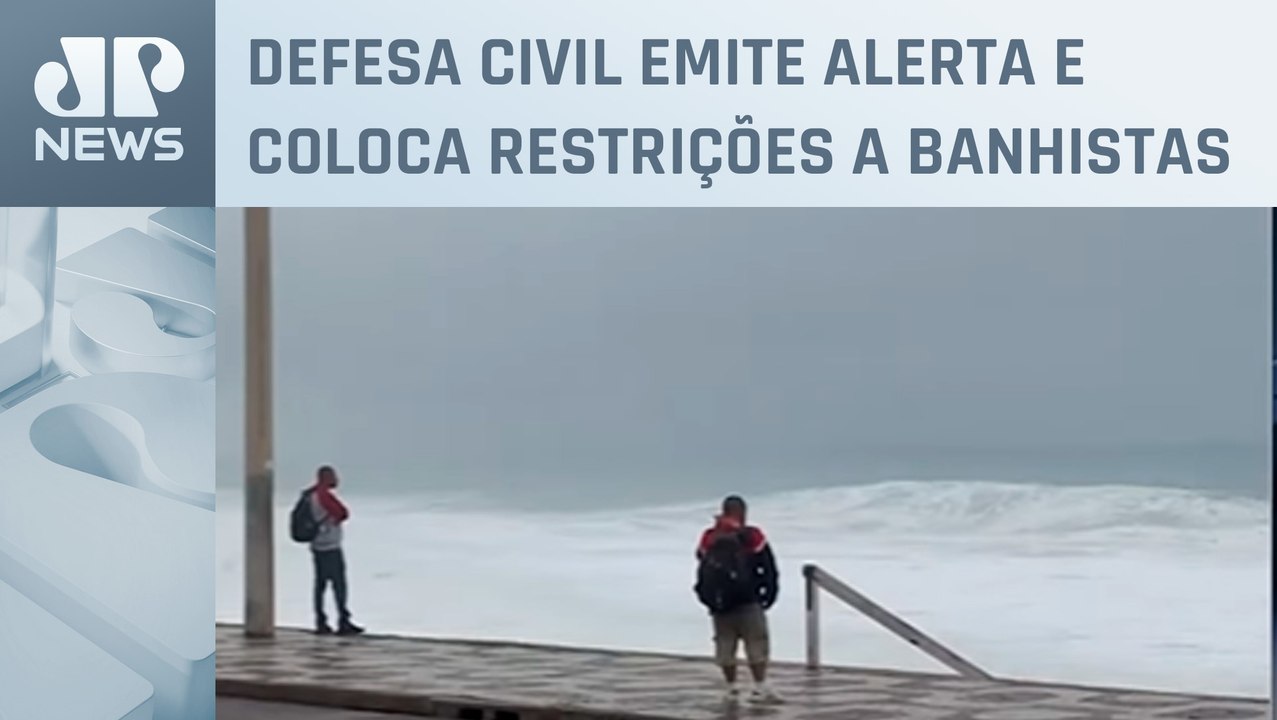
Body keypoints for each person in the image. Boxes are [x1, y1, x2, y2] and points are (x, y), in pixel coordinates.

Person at [695, 495, 781, 704]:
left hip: (720, 604)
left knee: (725, 646)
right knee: (756, 643)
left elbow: (701, 564)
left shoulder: (709, 537)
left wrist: (708, 598)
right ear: (742, 513)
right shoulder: (752, 536)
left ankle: (731, 688)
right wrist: (769, 594)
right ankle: (759, 687)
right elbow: (768, 566)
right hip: (748, 599)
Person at [308, 465, 364, 635]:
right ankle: (343, 621)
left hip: (316, 544)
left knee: (320, 584)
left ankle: (321, 621)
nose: (337, 479)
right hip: (330, 545)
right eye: (334, 476)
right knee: (339, 584)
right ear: (326, 478)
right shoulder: (324, 496)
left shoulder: (309, 495)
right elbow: (343, 513)